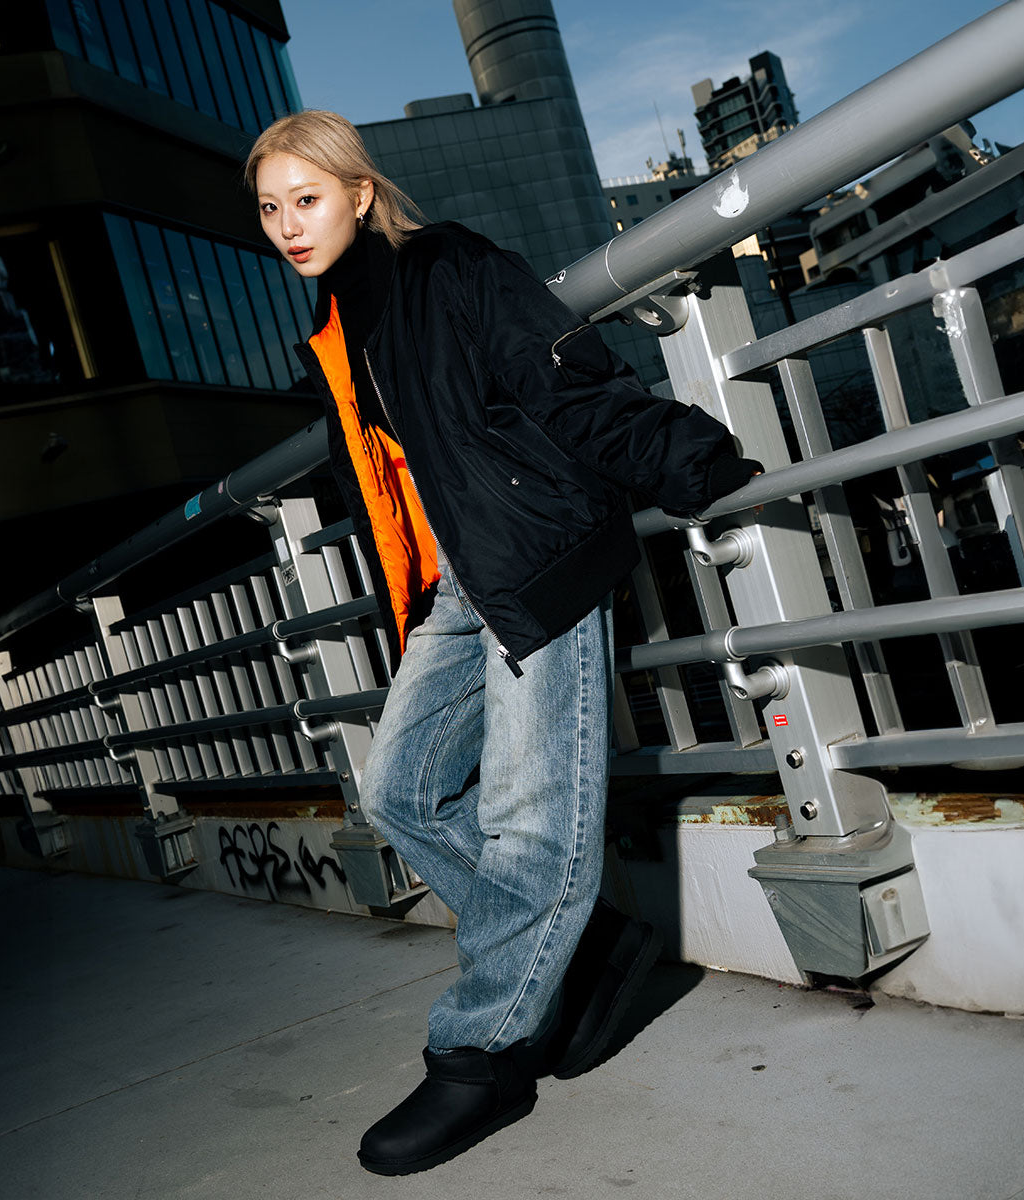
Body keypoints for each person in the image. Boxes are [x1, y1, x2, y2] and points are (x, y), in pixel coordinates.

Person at [246, 111, 759, 1176]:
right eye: (270, 208)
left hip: (535, 557)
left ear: (358, 193)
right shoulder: (339, 320)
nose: (289, 225)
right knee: (399, 791)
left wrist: (689, 457)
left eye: (307, 199)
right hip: (457, 586)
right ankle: (583, 946)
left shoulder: (447, 266)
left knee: (530, 824)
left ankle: (482, 1053)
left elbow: (562, 380)